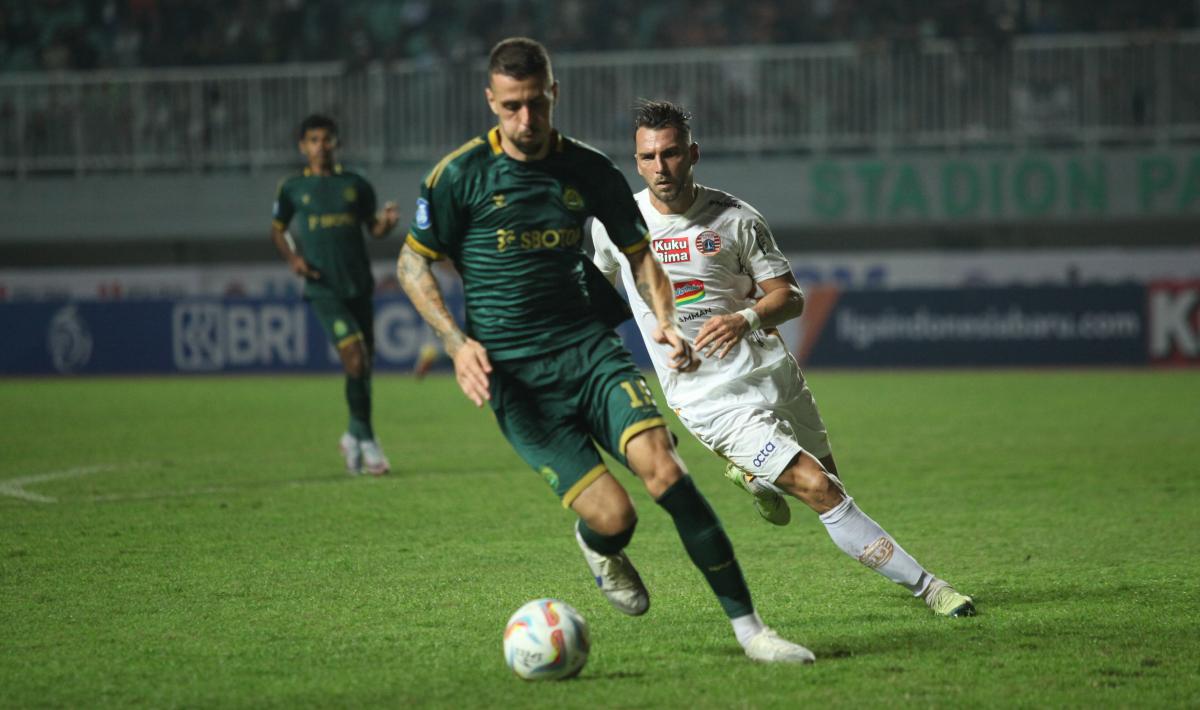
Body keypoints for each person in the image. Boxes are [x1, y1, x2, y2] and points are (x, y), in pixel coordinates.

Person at [397, 37, 816, 663]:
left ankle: (752, 632)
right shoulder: (459, 177)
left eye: (536, 104)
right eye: (511, 107)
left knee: (666, 474)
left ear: (553, 93)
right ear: (492, 101)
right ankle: (599, 542)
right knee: (617, 518)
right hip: (517, 381)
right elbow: (412, 264)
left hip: (589, 354)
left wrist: (666, 322)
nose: (526, 120)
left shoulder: (589, 170)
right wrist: (456, 344)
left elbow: (640, 254)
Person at [591, 100, 976, 618]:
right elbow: (594, 297)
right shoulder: (616, 226)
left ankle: (755, 477)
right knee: (818, 489)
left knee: (835, 485)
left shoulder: (736, 218)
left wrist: (743, 318)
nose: (662, 167)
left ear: (693, 153)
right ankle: (932, 589)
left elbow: (790, 296)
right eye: (649, 157)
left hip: (773, 371)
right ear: (636, 163)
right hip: (706, 395)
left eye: (673, 153)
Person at [270, 114, 400, 475]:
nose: (320, 146)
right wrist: (294, 259)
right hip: (322, 287)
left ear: (336, 143)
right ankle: (369, 440)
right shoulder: (292, 187)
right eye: (313, 140)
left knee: (364, 366)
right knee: (355, 358)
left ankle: (353, 435)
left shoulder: (355, 183)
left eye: (327, 139)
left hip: (358, 284)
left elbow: (373, 228)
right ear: (303, 146)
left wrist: (386, 224)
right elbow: (278, 230)